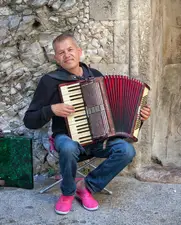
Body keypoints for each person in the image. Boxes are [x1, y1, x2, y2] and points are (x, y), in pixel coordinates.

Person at [23, 33, 151, 215]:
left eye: (70, 49)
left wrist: (140, 116)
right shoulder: (50, 81)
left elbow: (116, 116)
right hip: (67, 139)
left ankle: (86, 186)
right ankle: (67, 193)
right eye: (61, 52)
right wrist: (52, 109)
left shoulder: (96, 76)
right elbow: (29, 120)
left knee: (127, 151)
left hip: (100, 141)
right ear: (56, 58)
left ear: (79, 51)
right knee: (67, 147)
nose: (66, 55)